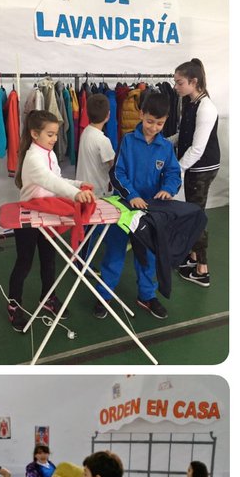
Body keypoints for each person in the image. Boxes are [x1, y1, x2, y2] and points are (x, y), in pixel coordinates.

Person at [7, 110, 96, 330]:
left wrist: (77, 184)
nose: (55, 139)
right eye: (50, 134)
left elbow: (57, 179)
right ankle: (14, 305)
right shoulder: (32, 157)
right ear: (34, 134)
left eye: (56, 134)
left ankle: (48, 298)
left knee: (49, 259)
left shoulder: (49, 153)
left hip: (47, 215)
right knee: (24, 262)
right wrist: (74, 194)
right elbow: (48, 181)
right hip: (28, 218)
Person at [98, 91, 181, 320]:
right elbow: (118, 173)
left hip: (150, 212)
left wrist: (168, 189)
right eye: (150, 121)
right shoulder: (127, 140)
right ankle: (104, 295)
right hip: (124, 208)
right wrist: (132, 195)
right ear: (141, 114)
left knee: (148, 256)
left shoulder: (165, 147)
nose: (154, 127)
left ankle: (146, 295)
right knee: (114, 254)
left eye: (160, 123)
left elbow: (173, 173)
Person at [173, 59, 219, 288]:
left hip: (202, 168)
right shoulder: (190, 102)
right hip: (194, 166)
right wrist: (164, 140)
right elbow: (184, 136)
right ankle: (192, 257)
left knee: (197, 216)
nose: (176, 87)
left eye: (179, 83)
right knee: (193, 213)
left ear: (194, 82)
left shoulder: (206, 107)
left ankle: (202, 269)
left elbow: (198, 148)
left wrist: (177, 170)